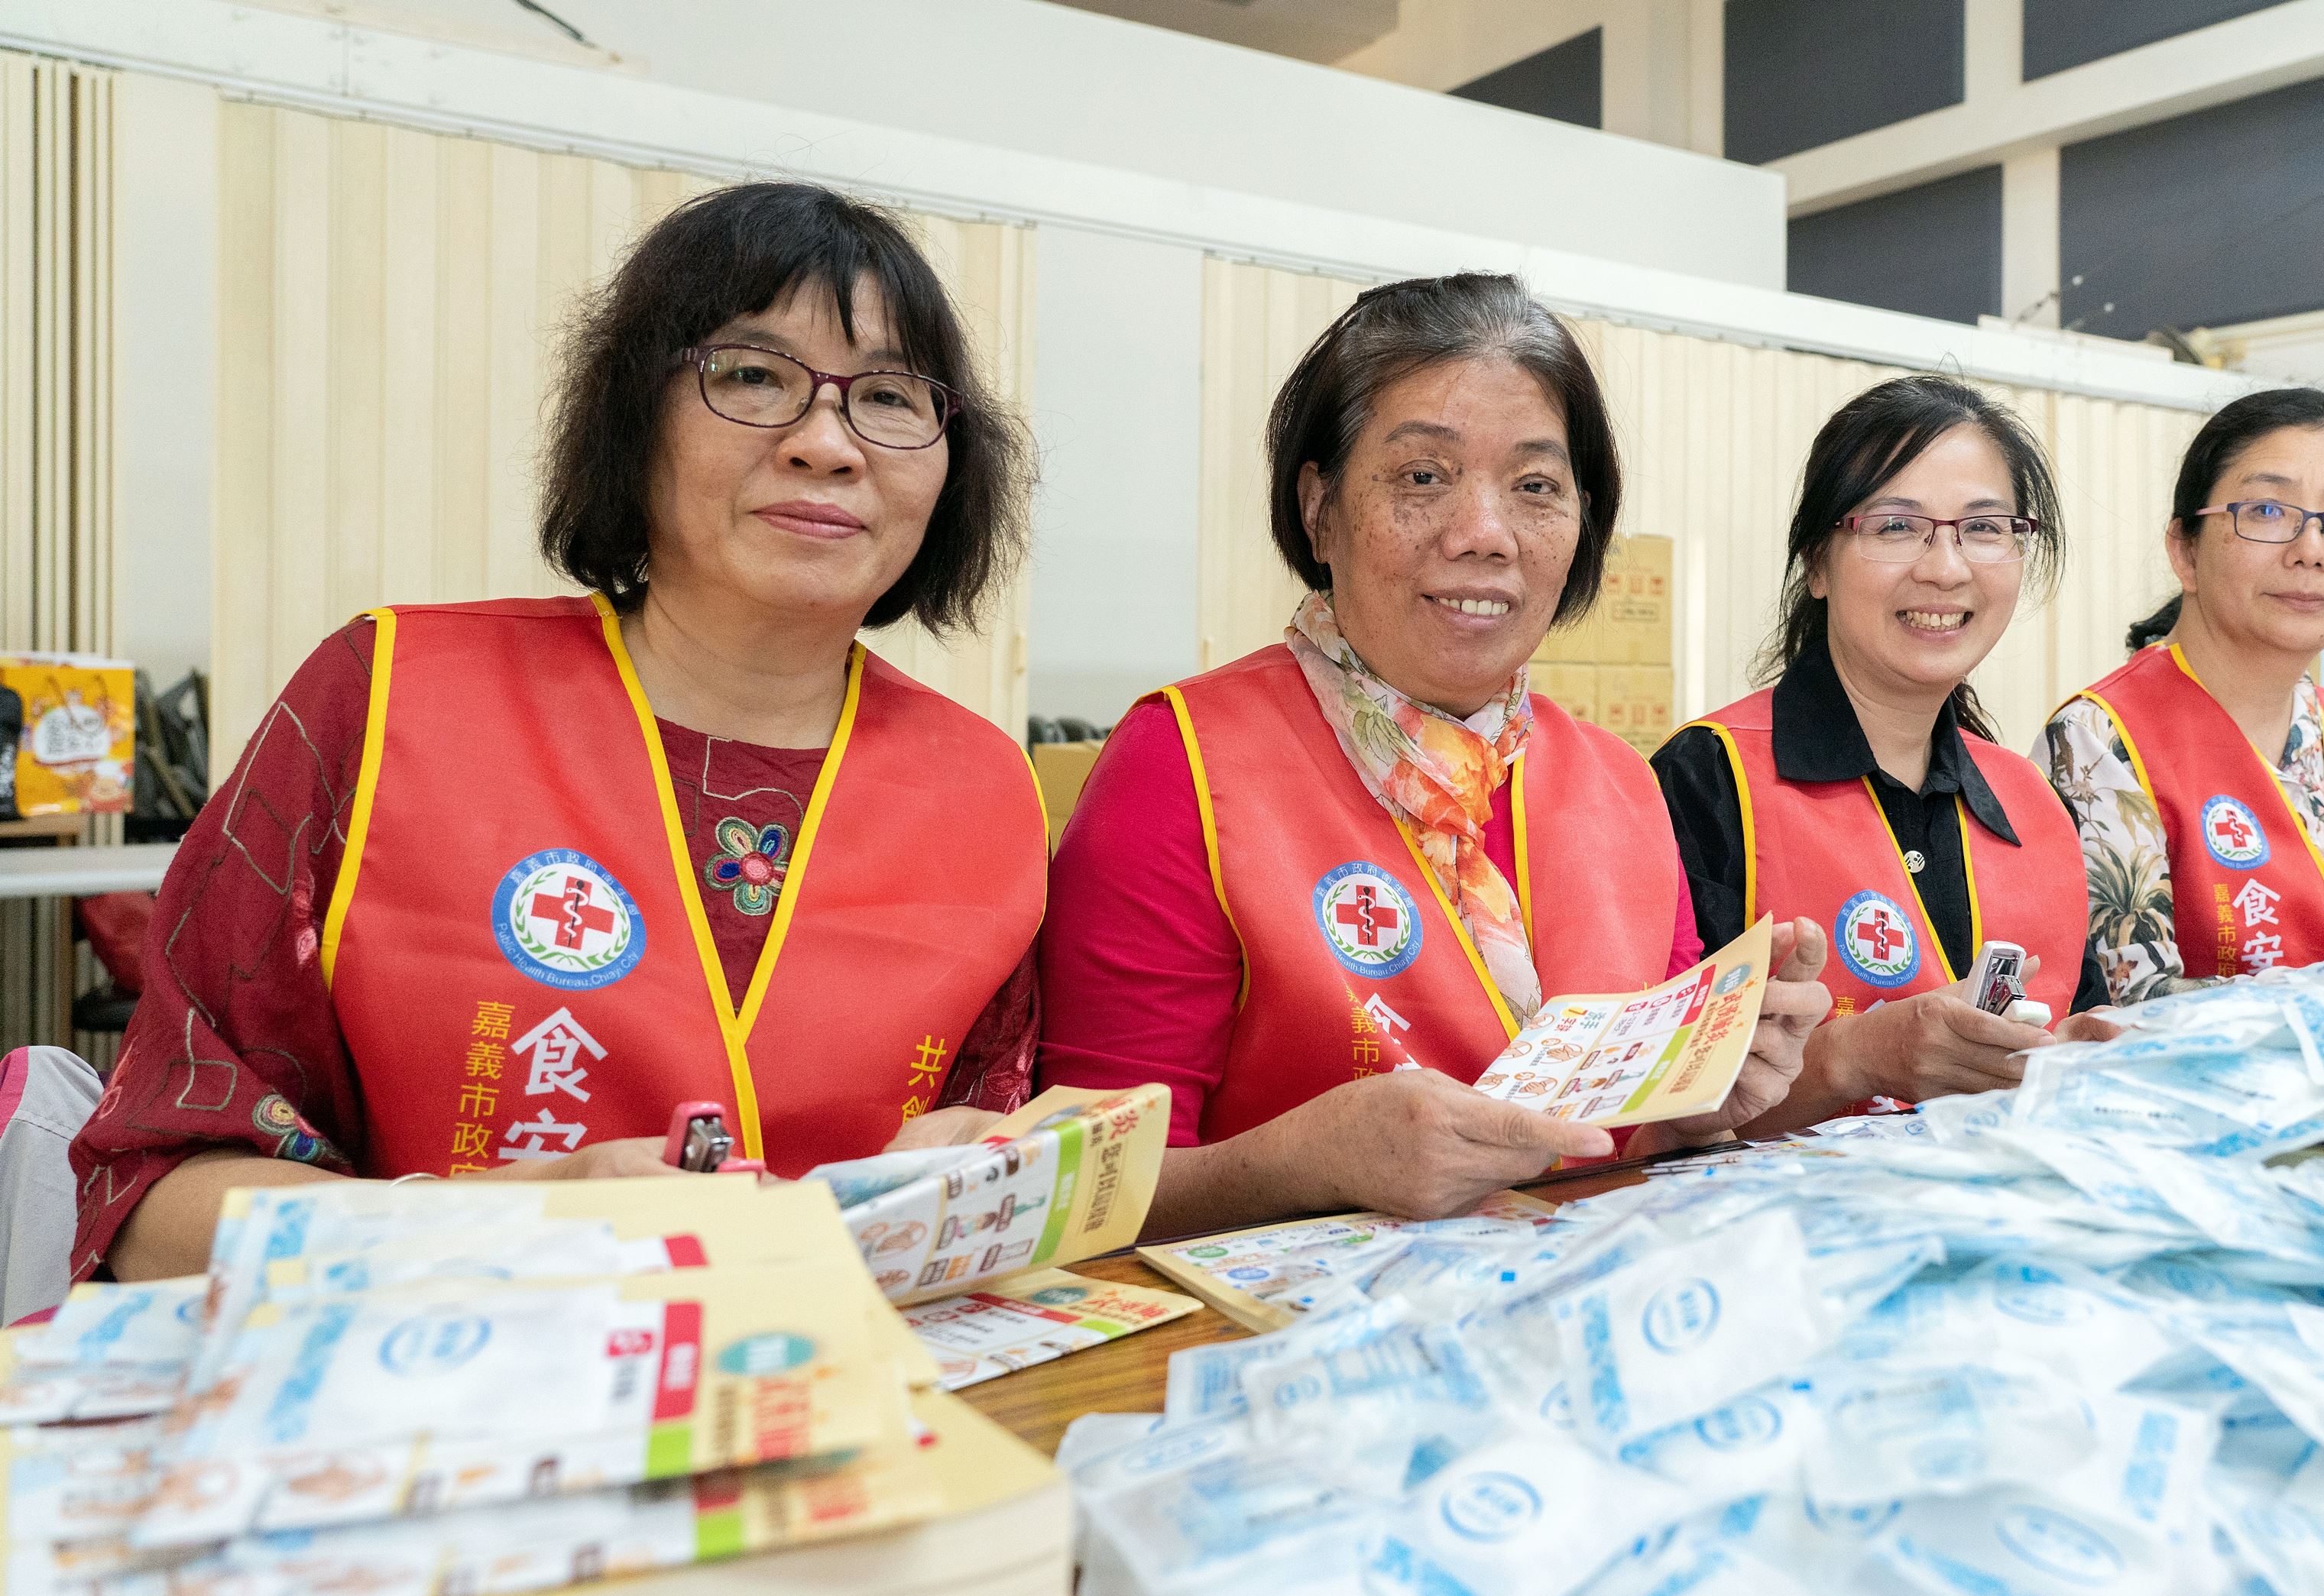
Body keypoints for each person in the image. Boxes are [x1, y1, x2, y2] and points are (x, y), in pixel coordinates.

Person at [71, 182, 1046, 1281]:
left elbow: (985, 1160)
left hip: (839, 1407)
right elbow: (149, 1214)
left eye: (889, 397)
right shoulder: (386, 693)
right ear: (634, 419)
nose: (827, 442)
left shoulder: (985, 789)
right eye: (754, 376)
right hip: (422, 1401)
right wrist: (504, 1224)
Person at [1039, 273, 1830, 1237]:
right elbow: (1085, 1185)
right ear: (1320, 506)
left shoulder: (1619, 784)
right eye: (1423, 477)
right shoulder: (1187, 763)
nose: (1484, 535)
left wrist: (1706, 1102)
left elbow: (1625, 1144)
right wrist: (1306, 1162)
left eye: (1536, 487)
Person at [1655, 375, 2115, 1122]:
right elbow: (1647, 1114)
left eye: (1985, 528)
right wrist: (1855, 1057)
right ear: (1816, 562)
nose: (1945, 566)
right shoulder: (1707, 778)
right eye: (1896, 527)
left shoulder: (2035, 803)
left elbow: (2069, 1029)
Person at [2035, 387, 2324, 1001]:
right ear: (2185, 550)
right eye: (2268, 511)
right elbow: (2129, 1013)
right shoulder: (2101, 740)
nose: (2312, 552)